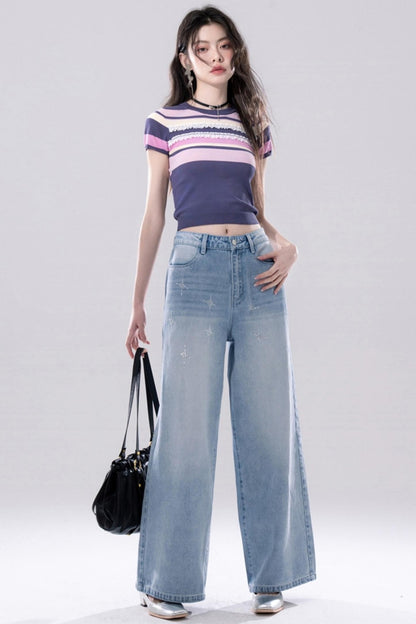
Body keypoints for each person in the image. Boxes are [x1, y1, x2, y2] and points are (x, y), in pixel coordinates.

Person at [125, 5, 316, 620]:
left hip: (258, 271)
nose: (214, 56)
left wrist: (286, 245)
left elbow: (255, 206)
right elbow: (154, 215)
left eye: (224, 45)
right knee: (185, 433)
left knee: (269, 426)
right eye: (202, 47)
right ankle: (166, 582)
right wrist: (136, 302)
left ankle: (273, 577)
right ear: (185, 58)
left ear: (235, 53)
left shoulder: (251, 122)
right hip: (195, 271)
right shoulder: (165, 122)